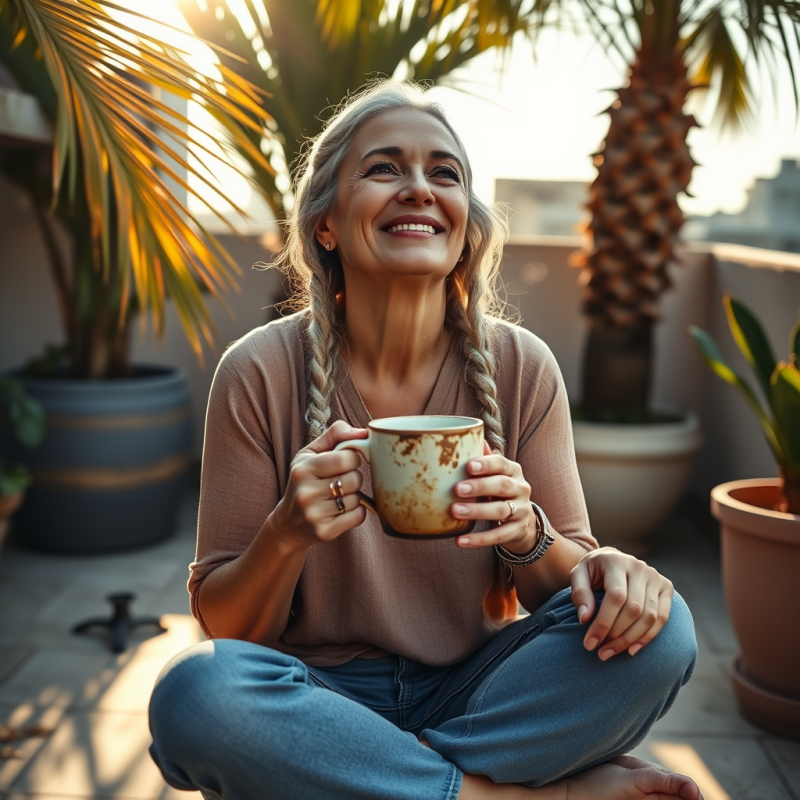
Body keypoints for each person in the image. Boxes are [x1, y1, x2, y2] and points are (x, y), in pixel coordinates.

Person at [148, 80, 701, 800]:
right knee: (199, 691)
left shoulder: (521, 366)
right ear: (326, 224)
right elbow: (226, 628)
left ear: (464, 226)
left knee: (665, 630)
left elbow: (569, 593)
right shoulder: (258, 371)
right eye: (384, 168)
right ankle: (513, 794)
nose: (417, 188)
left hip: (478, 690)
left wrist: (531, 535)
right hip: (321, 693)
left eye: (443, 173)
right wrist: (286, 532)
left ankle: (359, 779)